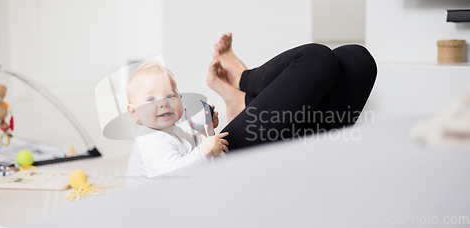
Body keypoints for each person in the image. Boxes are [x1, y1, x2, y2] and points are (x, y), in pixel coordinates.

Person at [207, 33, 377, 150]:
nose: (180, 98)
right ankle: (243, 81)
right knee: (316, 57)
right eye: (178, 94)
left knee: (357, 60)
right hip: (222, 158)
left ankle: (244, 102)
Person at [125, 59, 229, 178]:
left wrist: (206, 129)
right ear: (134, 112)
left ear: (180, 98)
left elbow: (192, 147)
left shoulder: (171, 130)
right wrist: (206, 150)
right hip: (151, 195)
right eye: (151, 99)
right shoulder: (152, 142)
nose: (164, 103)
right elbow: (175, 174)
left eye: (170, 96)